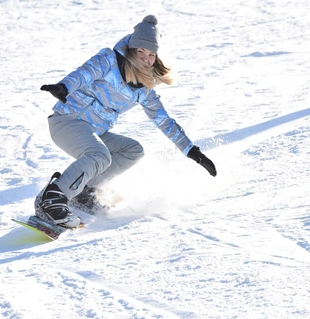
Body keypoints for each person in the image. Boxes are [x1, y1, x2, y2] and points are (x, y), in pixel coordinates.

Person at [36, 15, 217, 228]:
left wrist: (191, 150)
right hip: (68, 120)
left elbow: (164, 121)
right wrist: (64, 87)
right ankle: (54, 199)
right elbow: (84, 74)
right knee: (99, 155)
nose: (145, 58)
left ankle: (84, 192)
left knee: (133, 150)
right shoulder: (108, 60)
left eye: (151, 54)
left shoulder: (145, 90)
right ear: (131, 49)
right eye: (141, 51)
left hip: (94, 131)